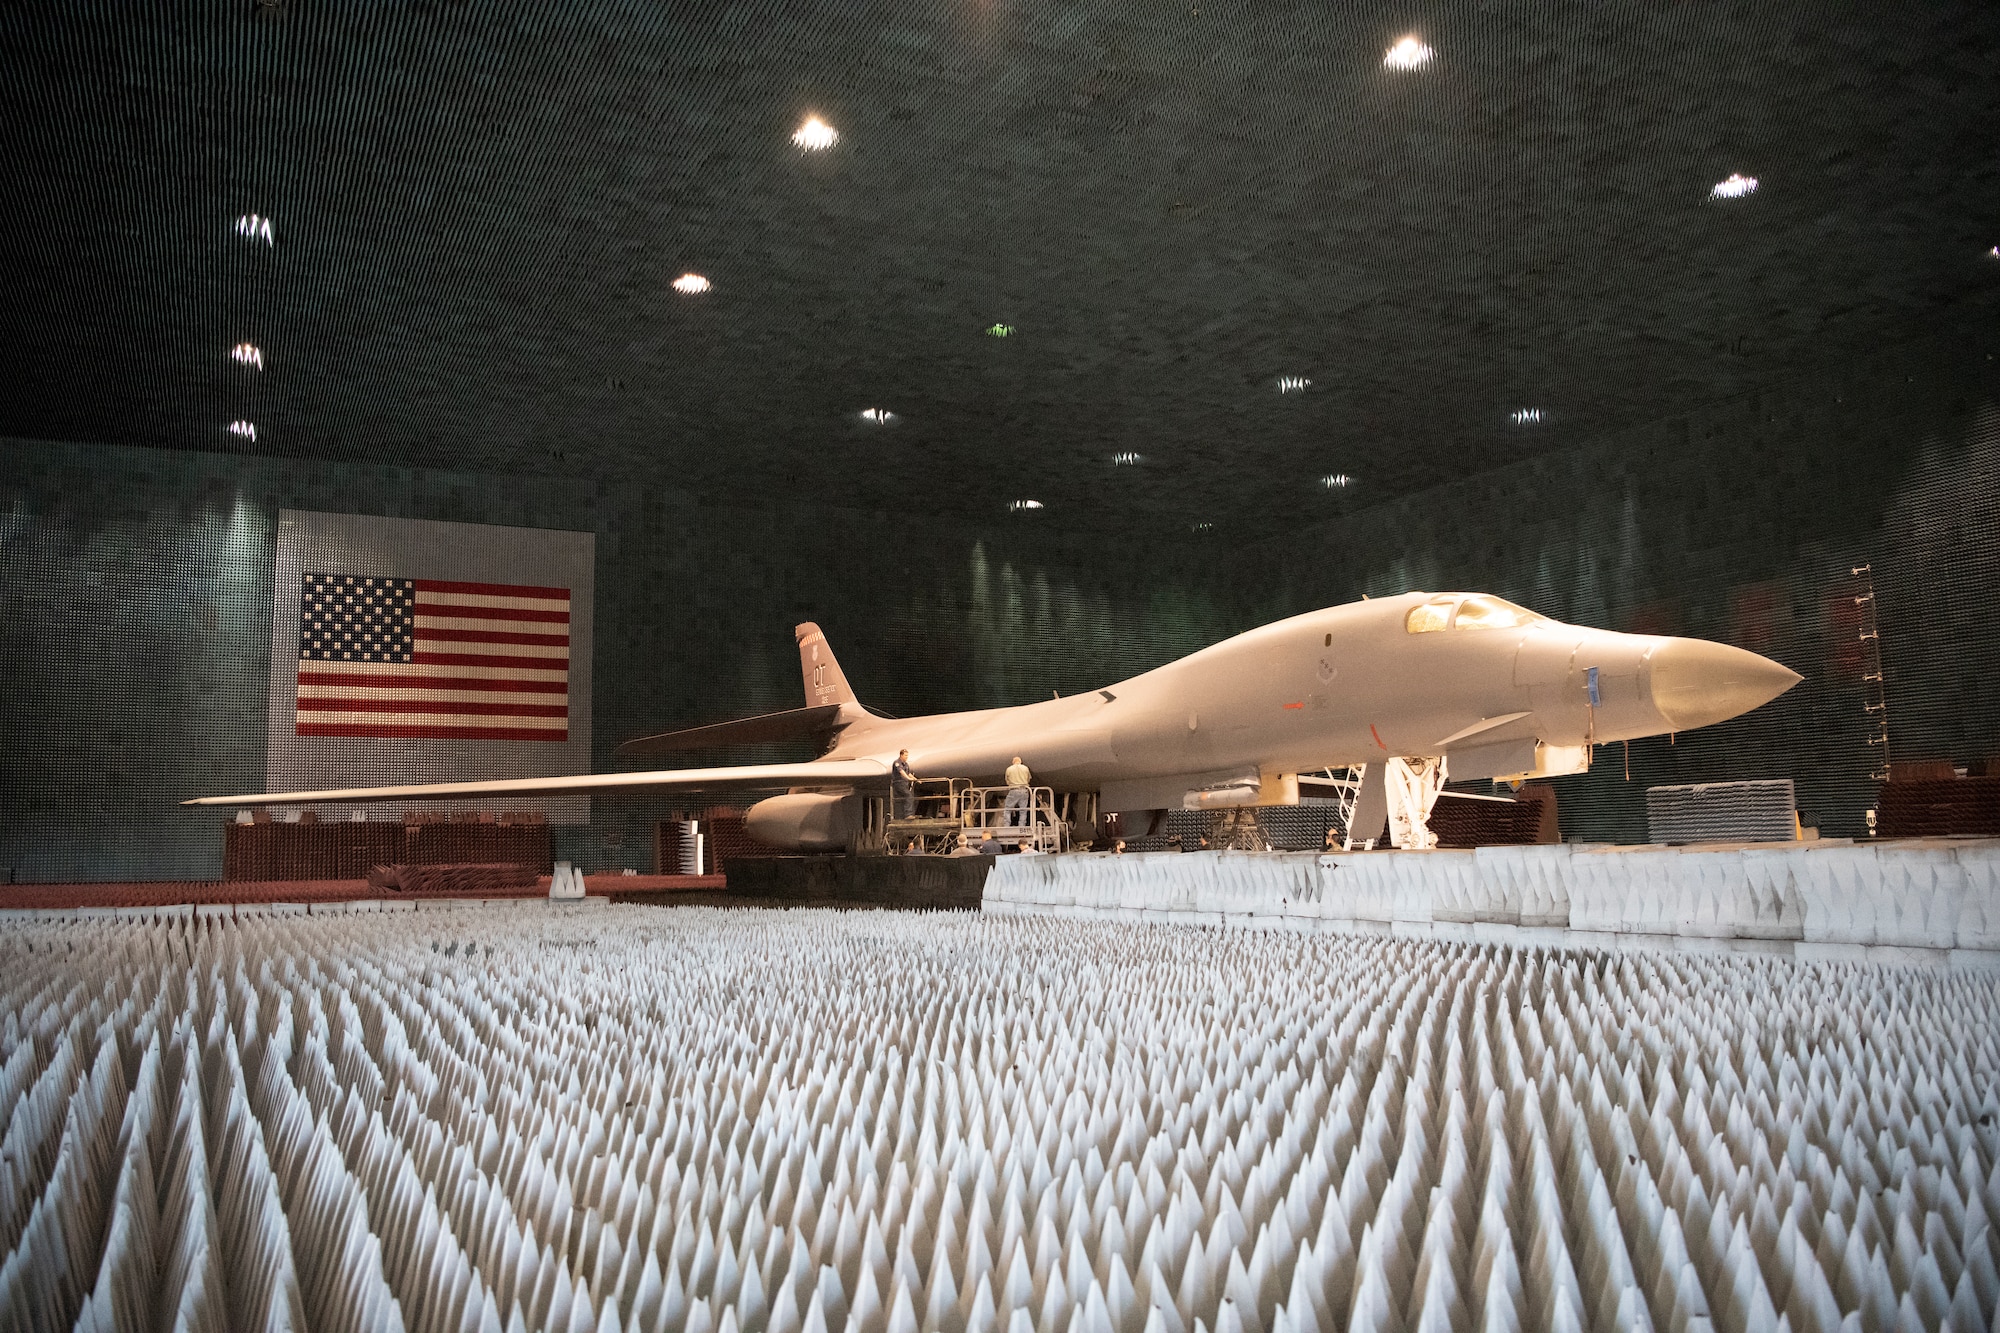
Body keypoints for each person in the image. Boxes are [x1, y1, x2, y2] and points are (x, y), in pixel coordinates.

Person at [1003, 755, 1032, 827]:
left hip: (1014, 790)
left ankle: (1007, 824)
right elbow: (1029, 779)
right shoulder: (1025, 768)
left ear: (1013, 762)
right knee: (1023, 810)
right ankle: (1021, 825)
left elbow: (1007, 780)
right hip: (1024, 790)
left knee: (1008, 809)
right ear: (1020, 761)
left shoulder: (1009, 769)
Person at [891, 749, 917, 819]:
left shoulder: (906, 764)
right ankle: (908, 814)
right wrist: (908, 778)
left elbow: (908, 773)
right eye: (905, 755)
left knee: (908, 796)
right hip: (898, 783)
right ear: (901, 755)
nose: (906, 757)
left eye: (907, 755)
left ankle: (908, 813)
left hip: (904, 784)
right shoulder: (897, 763)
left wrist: (916, 779)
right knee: (908, 795)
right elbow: (901, 772)